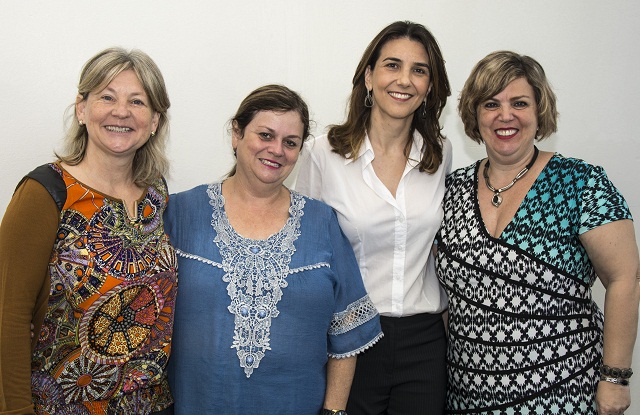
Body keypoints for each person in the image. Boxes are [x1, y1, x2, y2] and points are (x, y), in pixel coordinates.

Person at [435, 50, 640, 414]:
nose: (505, 115)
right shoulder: (450, 190)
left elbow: (626, 278)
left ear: (539, 110)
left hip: (564, 390)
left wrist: (615, 378)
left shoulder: (581, 183)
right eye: (491, 104)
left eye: (519, 103)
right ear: (474, 114)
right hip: (467, 393)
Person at [164, 84, 382, 415]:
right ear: (236, 134)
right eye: (265, 135)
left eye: (290, 143)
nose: (277, 150)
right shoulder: (180, 214)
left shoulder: (322, 223)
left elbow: (347, 330)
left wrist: (334, 411)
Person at [0, 47, 176, 415]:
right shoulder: (46, 191)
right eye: (107, 97)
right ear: (82, 109)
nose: (121, 111)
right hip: (60, 405)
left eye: (138, 101)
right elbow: (8, 314)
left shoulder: (157, 194)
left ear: (155, 119)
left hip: (151, 405)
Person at [296, 21, 452, 414]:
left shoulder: (440, 153)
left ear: (430, 86)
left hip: (424, 341)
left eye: (419, 70)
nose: (404, 80)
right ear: (369, 76)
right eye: (392, 65)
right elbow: (302, 250)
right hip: (351, 340)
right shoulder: (323, 153)